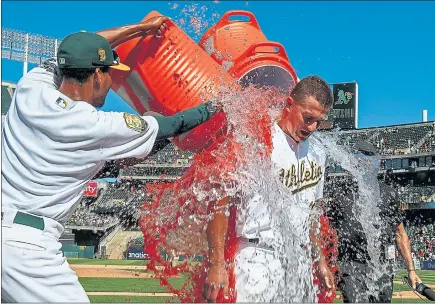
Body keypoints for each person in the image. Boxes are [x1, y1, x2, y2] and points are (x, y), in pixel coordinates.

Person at [1, 16, 219, 303]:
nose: (112, 79)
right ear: (96, 75)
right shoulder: (94, 124)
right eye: (110, 73)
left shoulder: (31, 86)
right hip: (27, 249)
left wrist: (138, 30)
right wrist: (221, 103)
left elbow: (77, 47)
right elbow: (171, 125)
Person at [202, 76, 335, 302]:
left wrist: (320, 259)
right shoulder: (257, 139)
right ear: (289, 104)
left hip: (300, 259)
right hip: (258, 256)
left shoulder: (318, 153)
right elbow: (219, 201)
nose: (312, 127)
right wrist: (217, 263)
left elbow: (312, 212)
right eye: (308, 117)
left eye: (318, 122)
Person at [323, 140, 422, 303]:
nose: (366, 161)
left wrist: (411, 270)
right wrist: (327, 266)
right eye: (361, 157)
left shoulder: (388, 193)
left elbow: (400, 233)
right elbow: (327, 234)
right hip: (351, 265)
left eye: (370, 157)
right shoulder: (339, 194)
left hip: (382, 266)